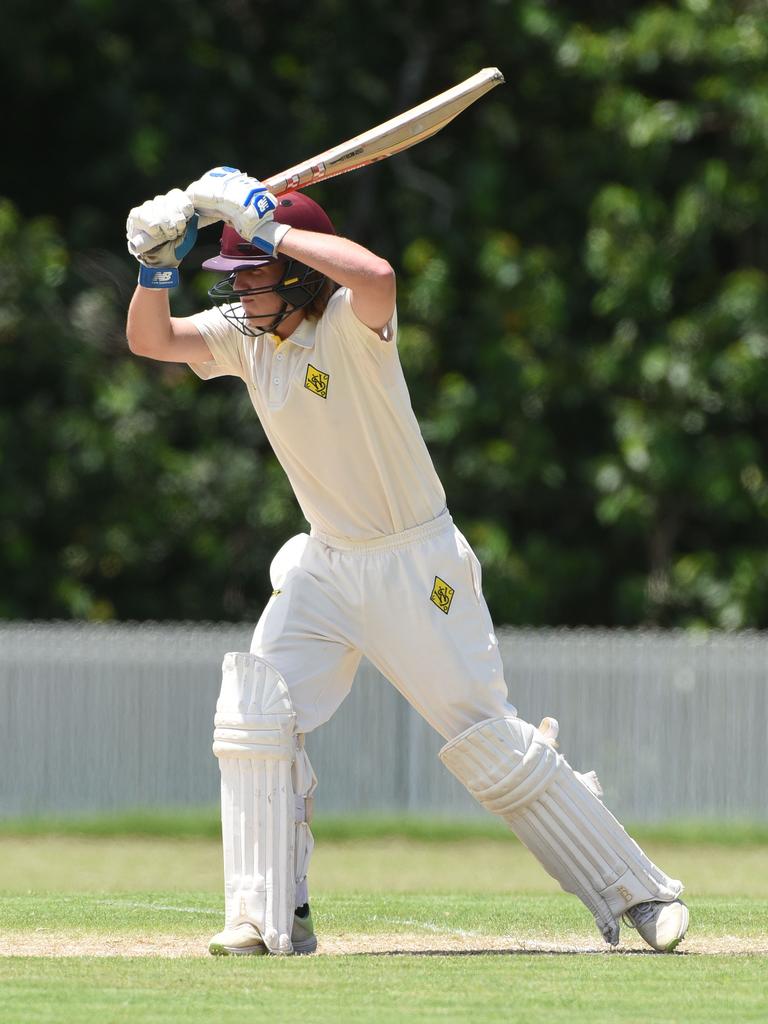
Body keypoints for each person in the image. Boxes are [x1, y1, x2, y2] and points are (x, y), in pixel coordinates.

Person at [125, 167, 689, 957]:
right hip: (325, 564)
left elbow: (379, 274)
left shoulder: (352, 325)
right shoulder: (246, 339)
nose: (237, 291)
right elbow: (150, 339)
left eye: (250, 273)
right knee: (255, 709)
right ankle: (266, 914)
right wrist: (152, 269)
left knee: (487, 742)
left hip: (414, 563)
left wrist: (269, 225)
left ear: (297, 276)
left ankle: (639, 892)